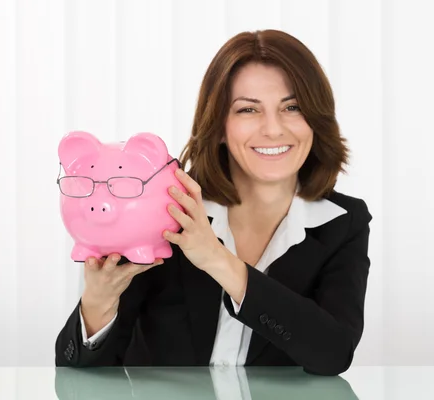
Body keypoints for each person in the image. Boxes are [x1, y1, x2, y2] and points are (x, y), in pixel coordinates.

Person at [55, 29, 372, 376]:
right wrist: (97, 305)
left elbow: (333, 354)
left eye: (292, 107)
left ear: (316, 118)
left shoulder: (343, 221)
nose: (272, 129)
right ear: (219, 125)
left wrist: (218, 261)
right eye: (248, 109)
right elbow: (80, 374)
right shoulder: (166, 209)